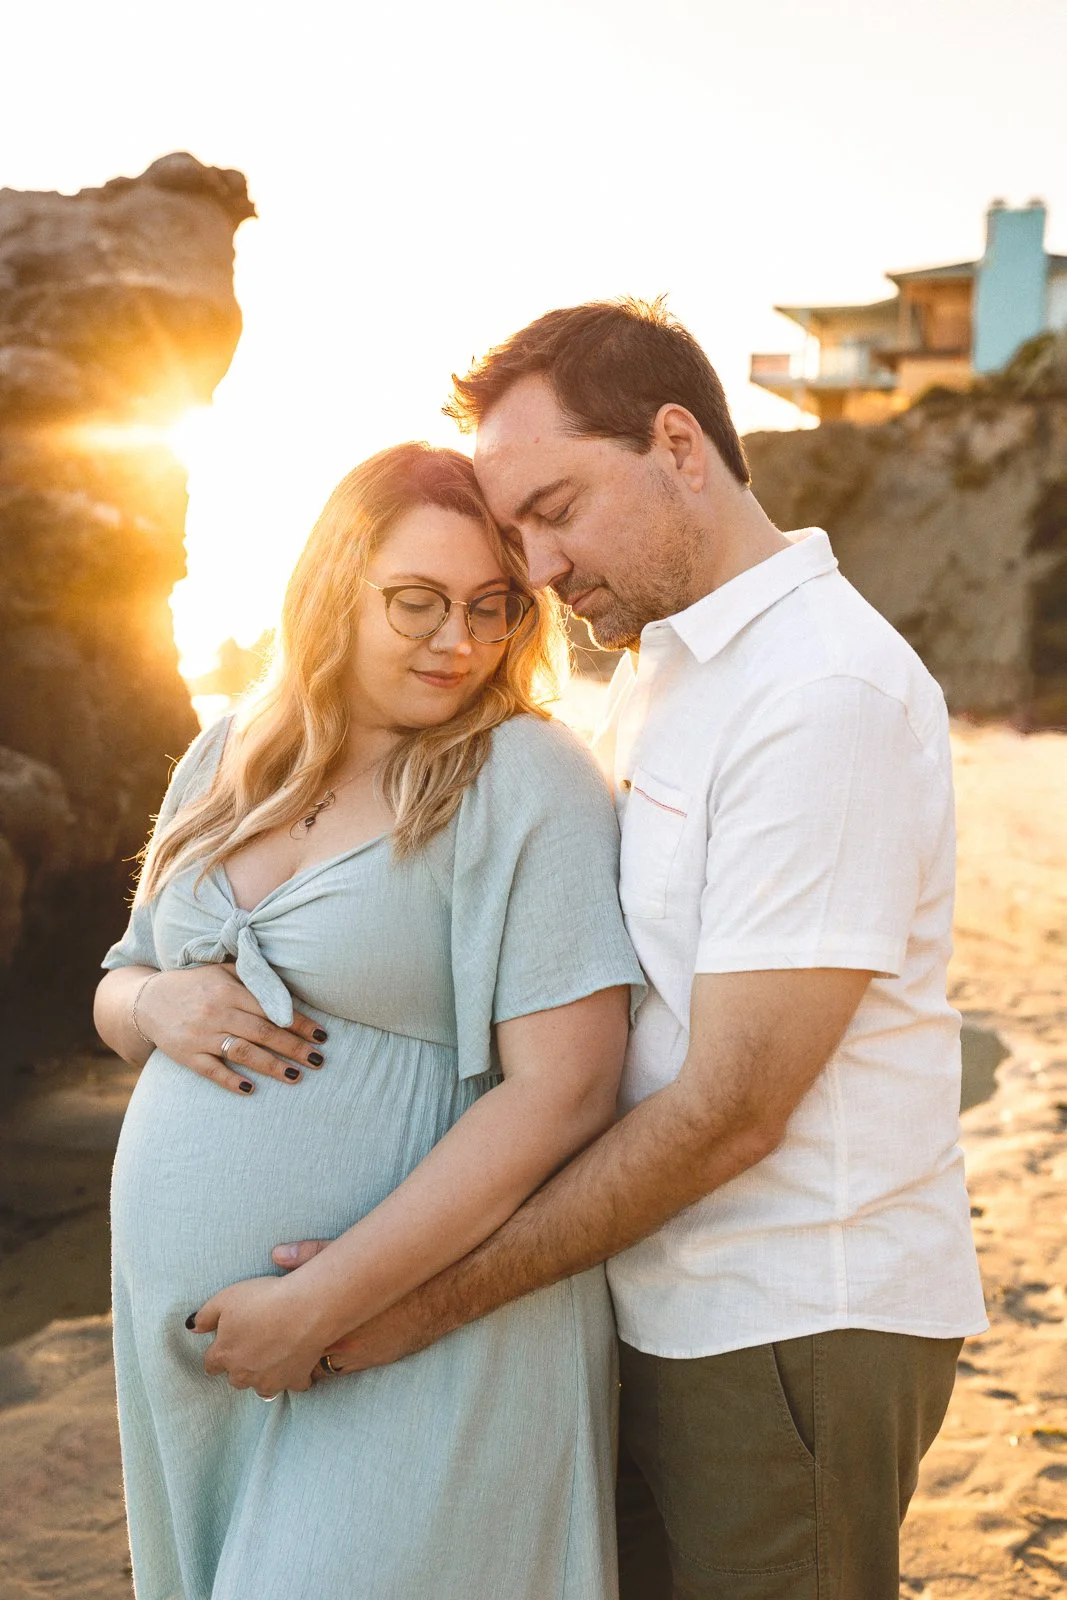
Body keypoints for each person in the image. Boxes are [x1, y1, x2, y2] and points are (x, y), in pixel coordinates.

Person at [272, 301, 989, 1600]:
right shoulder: (669, 661)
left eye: (555, 506)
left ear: (676, 445)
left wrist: (413, 1301)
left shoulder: (817, 690)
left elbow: (730, 1111)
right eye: (513, 531)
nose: (536, 566)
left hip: (789, 1317)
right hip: (660, 1298)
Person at [93, 441, 644, 1600]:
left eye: (492, 608)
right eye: (418, 603)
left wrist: (316, 1308)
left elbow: (566, 1092)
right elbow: (115, 986)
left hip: (405, 1336)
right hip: (198, 1358)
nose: (461, 640)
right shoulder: (227, 753)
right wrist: (158, 999)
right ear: (331, 585)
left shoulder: (517, 774)